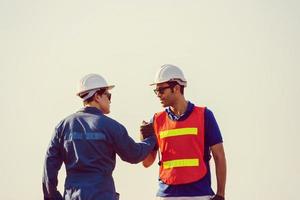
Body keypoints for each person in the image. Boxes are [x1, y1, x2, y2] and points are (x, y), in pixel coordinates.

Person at [42, 73, 156, 200]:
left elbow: (49, 168)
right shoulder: (111, 126)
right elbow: (133, 155)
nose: (110, 100)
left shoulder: (62, 127)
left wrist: (53, 197)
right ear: (97, 96)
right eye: (108, 95)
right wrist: (151, 139)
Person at [142, 65, 227, 200]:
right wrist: (143, 140)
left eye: (161, 90)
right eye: (156, 90)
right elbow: (147, 163)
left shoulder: (204, 115)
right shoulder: (156, 120)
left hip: (199, 194)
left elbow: (219, 156)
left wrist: (221, 194)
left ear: (176, 88)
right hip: (166, 195)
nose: (158, 94)